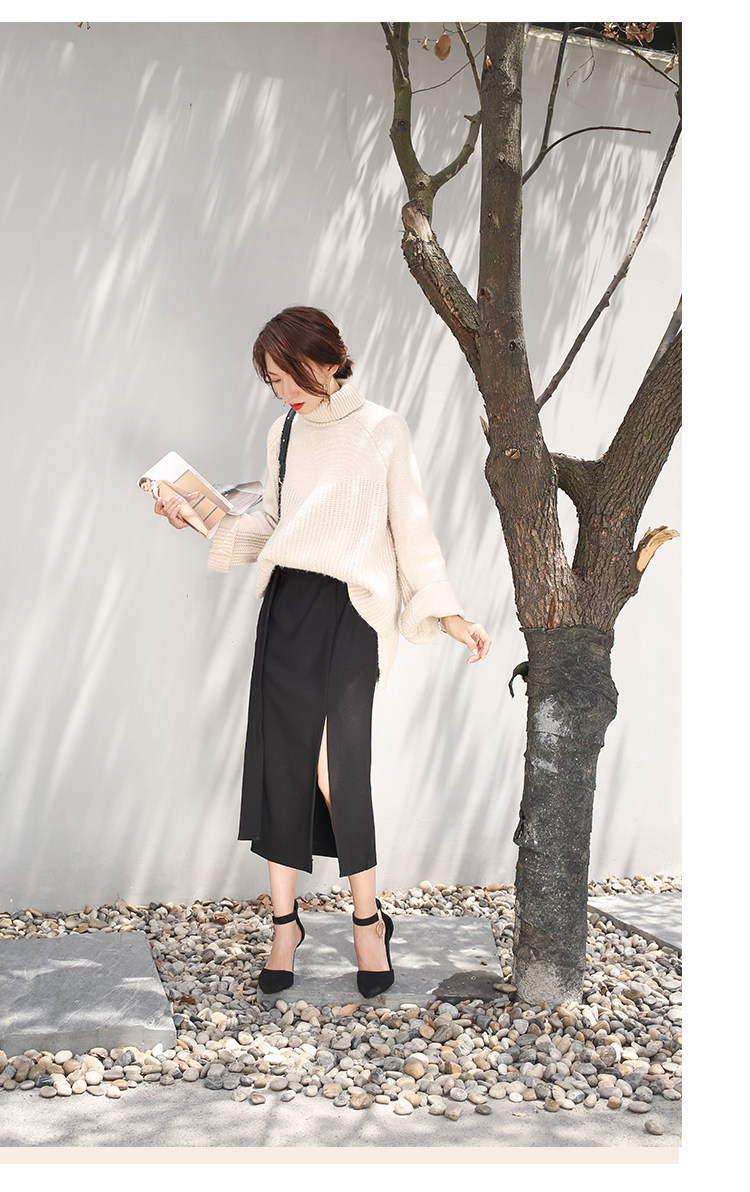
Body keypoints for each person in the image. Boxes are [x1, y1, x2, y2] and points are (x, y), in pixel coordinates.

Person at [155, 306, 491, 999]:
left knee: (340, 770)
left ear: (333, 358)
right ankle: (285, 927)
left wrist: (449, 612)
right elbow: (275, 523)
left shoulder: (383, 429)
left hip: (352, 613)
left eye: (292, 375)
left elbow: (412, 528)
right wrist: (198, 520)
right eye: (273, 382)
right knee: (283, 765)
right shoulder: (284, 432)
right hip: (287, 607)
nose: (285, 392)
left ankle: (368, 923)